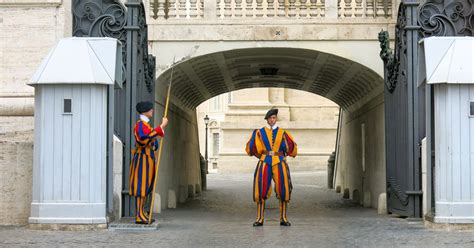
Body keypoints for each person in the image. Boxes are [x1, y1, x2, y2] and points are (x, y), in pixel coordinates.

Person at [245, 108, 297, 227]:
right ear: (267, 120)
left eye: (274, 118)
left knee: (283, 190)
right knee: (261, 190)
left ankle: (283, 218)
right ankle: (259, 218)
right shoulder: (259, 132)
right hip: (264, 163)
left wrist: (284, 155)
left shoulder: (283, 133)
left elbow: (290, 148)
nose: (272, 120)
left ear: (276, 119)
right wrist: (262, 157)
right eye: (270, 118)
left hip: (279, 162)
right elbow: (251, 148)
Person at [129, 101, 168, 224]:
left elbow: (152, 141)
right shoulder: (140, 125)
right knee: (141, 186)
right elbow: (142, 139)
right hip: (142, 159)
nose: (152, 111)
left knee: (146, 187)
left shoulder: (147, 126)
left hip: (148, 159)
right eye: (150, 109)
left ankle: (142, 212)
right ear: (145, 111)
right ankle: (139, 215)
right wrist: (161, 127)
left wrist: (155, 138)